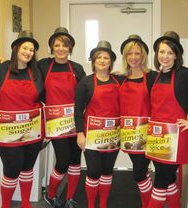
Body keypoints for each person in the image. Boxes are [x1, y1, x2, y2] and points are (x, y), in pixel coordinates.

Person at [145, 31, 188, 208]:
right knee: (169, 180)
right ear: (156, 53)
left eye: (169, 52)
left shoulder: (184, 74)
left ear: (176, 55)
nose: (165, 56)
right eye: (161, 52)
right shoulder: (154, 76)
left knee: (159, 182)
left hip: (175, 138)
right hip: (156, 137)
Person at [0, 30, 44, 208]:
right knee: (11, 170)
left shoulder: (36, 72)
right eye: (25, 47)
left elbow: (46, 95)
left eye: (31, 50)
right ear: (16, 48)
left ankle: (25, 204)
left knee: (27, 168)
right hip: (7, 131)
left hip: (32, 130)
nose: (28, 52)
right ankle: (6, 205)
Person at [38, 27, 86, 208]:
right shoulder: (43, 65)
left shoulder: (77, 68)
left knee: (75, 161)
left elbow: (85, 93)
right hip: (55, 123)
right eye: (57, 45)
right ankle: (50, 194)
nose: (61, 49)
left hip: (75, 120)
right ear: (52, 47)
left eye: (65, 45)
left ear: (70, 48)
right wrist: (3, 63)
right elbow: (22, 66)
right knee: (63, 161)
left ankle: (69, 198)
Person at [75, 40, 121, 208]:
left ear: (111, 61)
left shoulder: (119, 80)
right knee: (94, 172)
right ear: (93, 61)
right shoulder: (86, 82)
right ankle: (90, 205)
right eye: (98, 57)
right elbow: (78, 110)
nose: (102, 60)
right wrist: (80, 133)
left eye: (106, 58)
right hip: (91, 135)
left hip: (113, 134)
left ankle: (103, 204)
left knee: (107, 171)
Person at [119, 34, 156, 208]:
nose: (133, 58)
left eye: (137, 54)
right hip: (130, 134)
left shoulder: (153, 77)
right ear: (125, 57)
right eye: (129, 54)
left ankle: (147, 204)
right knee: (140, 172)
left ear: (143, 56)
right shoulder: (119, 78)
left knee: (141, 173)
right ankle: (148, 202)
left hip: (151, 132)